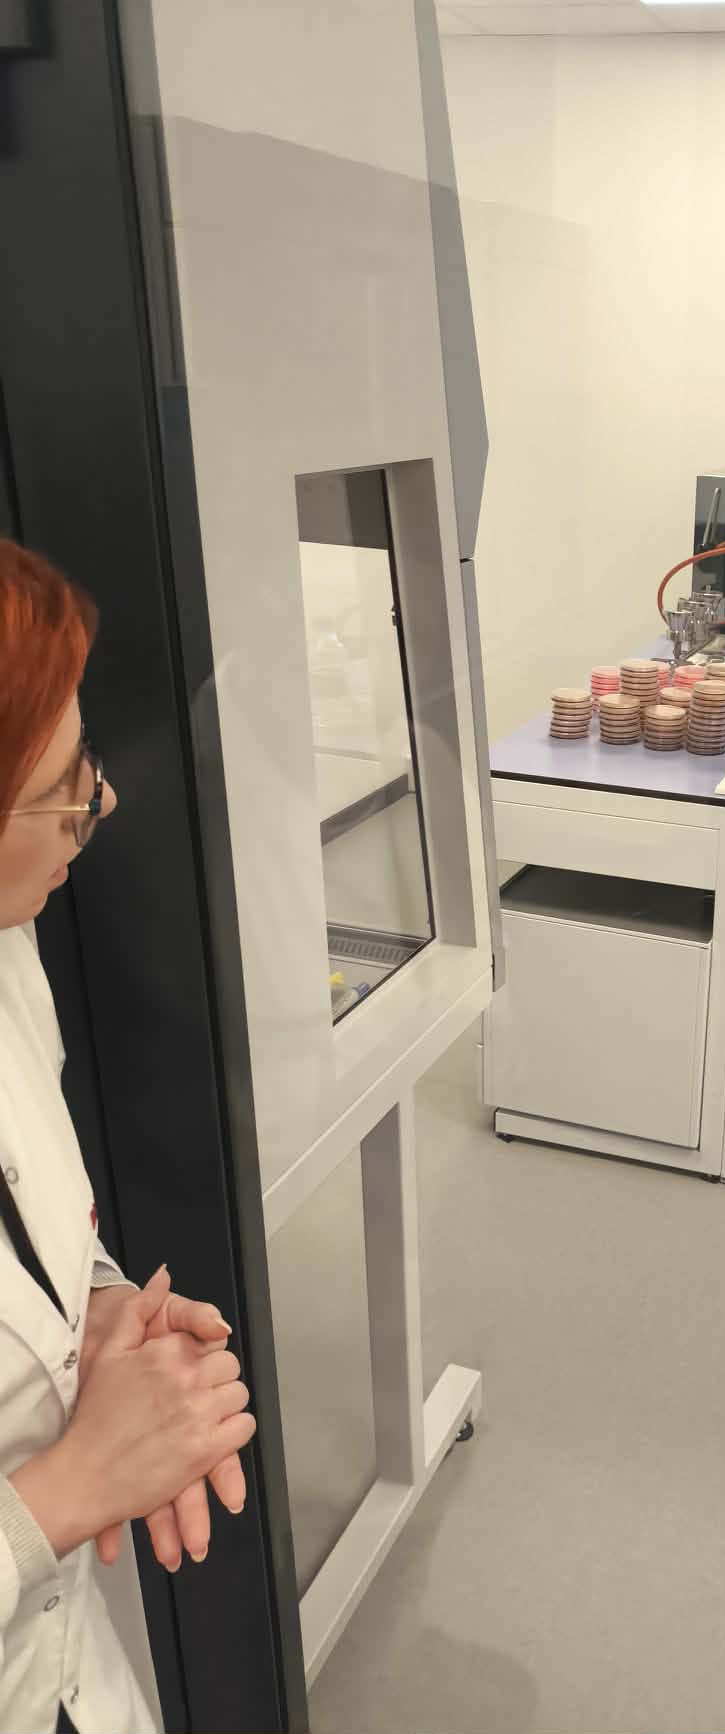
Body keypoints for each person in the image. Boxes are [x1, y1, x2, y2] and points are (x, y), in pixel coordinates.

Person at [0, 539, 256, 1733]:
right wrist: (66, 1492)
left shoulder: (8, 945)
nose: (99, 803)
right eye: (63, 786)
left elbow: (28, 1213)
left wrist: (94, 1311)